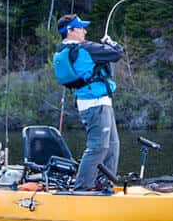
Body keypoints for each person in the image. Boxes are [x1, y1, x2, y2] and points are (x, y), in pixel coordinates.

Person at [52, 13, 124, 191]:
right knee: (98, 147)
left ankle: (103, 184)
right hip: (96, 103)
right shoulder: (85, 48)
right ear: (70, 31)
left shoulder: (64, 50)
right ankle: (82, 188)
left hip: (93, 103)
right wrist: (109, 42)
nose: (84, 31)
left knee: (112, 145)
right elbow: (117, 53)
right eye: (81, 27)